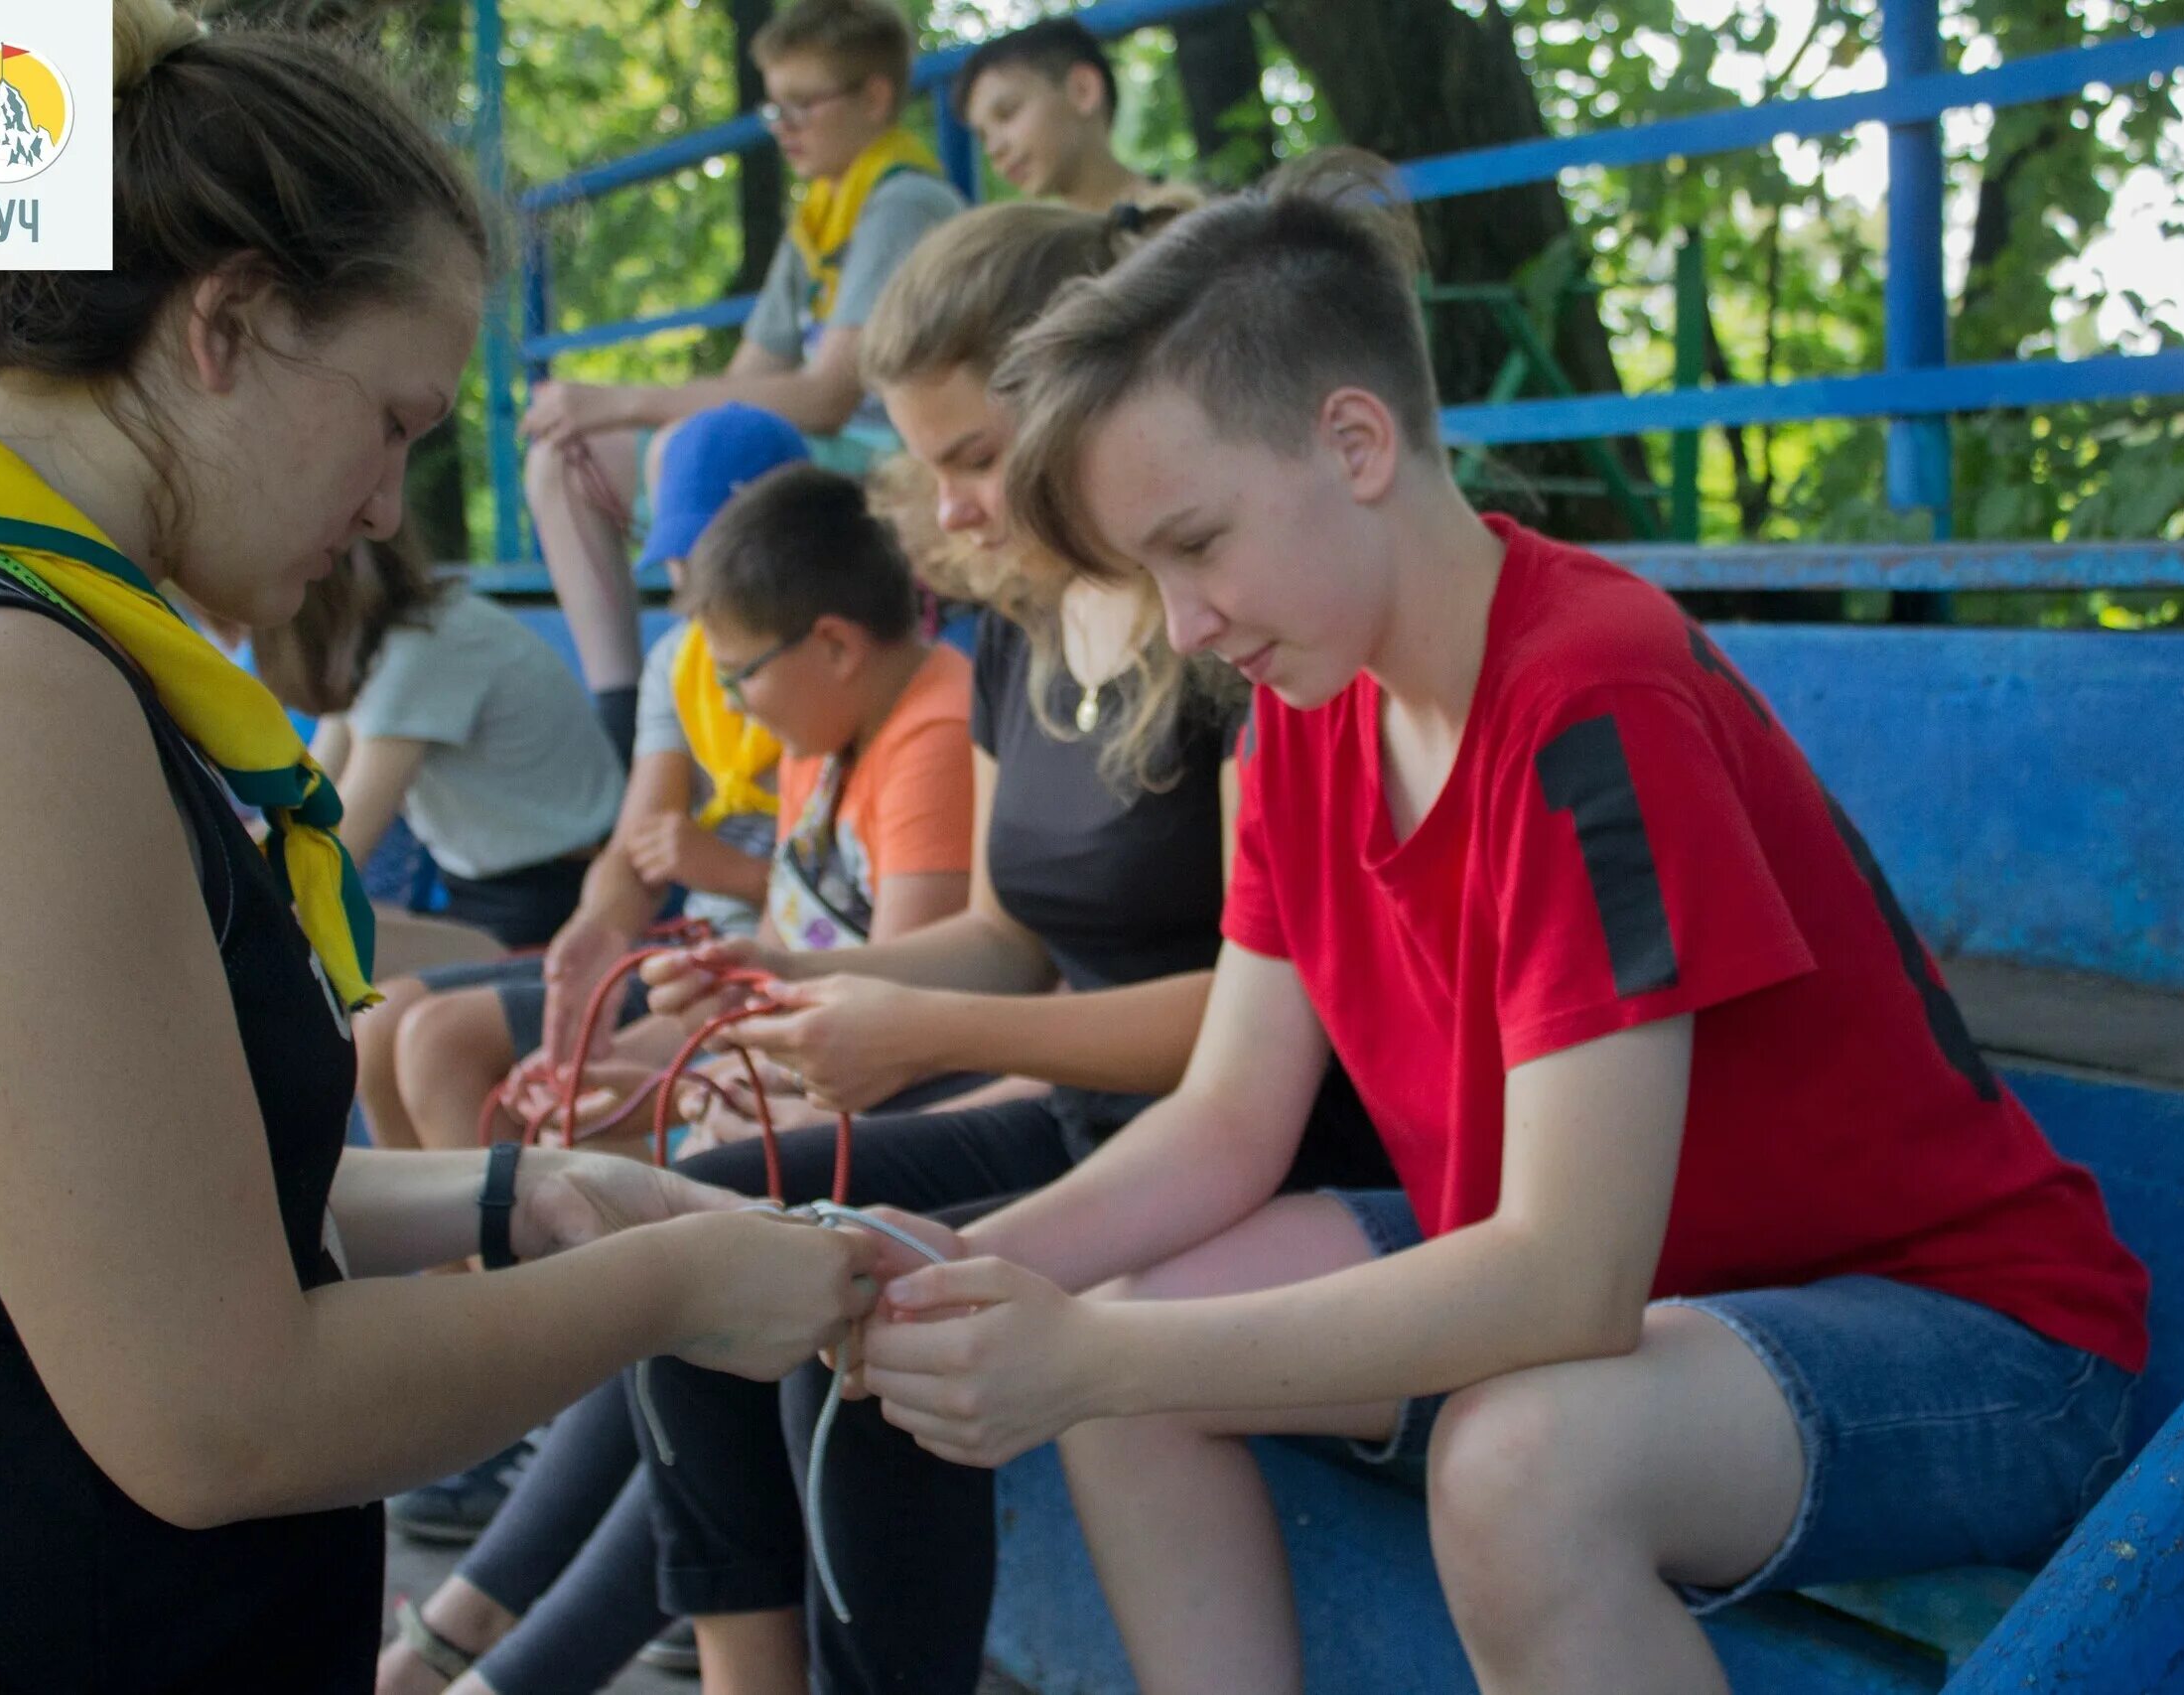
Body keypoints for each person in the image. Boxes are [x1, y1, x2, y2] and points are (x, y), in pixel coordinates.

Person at [846, 157, 2152, 1695]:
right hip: (1667, 1298)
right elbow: (1224, 1120)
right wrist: (950, 1269)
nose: (1183, 622)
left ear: (1355, 441)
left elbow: (1562, 1284)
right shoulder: (1305, 708)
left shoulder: (1590, 691)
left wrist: (1087, 1354)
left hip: (1968, 1335)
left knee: (1519, 1461)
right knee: (1138, 1326)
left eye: (1197, 544)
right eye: (1152, 572)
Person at [0, 8, 876, 1691]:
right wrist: (673, 1281)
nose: (393, 505)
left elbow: (89, 1202)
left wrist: (509, 1189)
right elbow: (217, 1413)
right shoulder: (1, 694)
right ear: (228, 322)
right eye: (394, 420)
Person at [371, 197, 1393, 1695]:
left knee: (861, 1295)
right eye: (931, 465)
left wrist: (919, 1033)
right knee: (699, 1219)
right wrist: (787, 985)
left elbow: (1240, 1034)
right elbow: (998, 937)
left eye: (976, 456)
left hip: (1211, 1125)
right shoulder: (1031, 639)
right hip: (1067, 1105)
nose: (955, 508)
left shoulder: (1232, 632)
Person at [353, 404, 809, 1164]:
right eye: (680, 563)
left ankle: (532, 1275)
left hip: (758, 963)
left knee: (442, 1041)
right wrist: (598, 927)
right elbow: (637, 851)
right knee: (381, 1021)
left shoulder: (824, 673)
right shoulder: (681, 662)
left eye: (714, 560)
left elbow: (836, 911)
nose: (692, 588)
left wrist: (723, 871)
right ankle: (470, 1277)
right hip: (690, 954)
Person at [521, 0, 965, 760]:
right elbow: (745, 382)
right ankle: (625, 719)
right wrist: (638, 422)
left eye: (802, 104)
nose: (782, 126)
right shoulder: (824, 214)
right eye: (774, 106)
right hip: (830, 464)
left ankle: (723, 698)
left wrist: (623, 400)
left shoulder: (904, 201)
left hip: (906, 466)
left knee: (674, 452)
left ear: (875, 99)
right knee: (567, 457)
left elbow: (827, 396)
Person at [252, 528, 623, 951]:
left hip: (547, 900)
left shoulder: (421, 650)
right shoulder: (396, 637)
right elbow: (301, 802)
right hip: (496, 893)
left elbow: (335, 855)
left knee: (296, 938)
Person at [954, 17, 1156, 212]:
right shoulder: (1037, 245)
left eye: (1007, 113)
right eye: (983, 136)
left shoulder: (1179, 222)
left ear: (1082, 89)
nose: (993, 149)